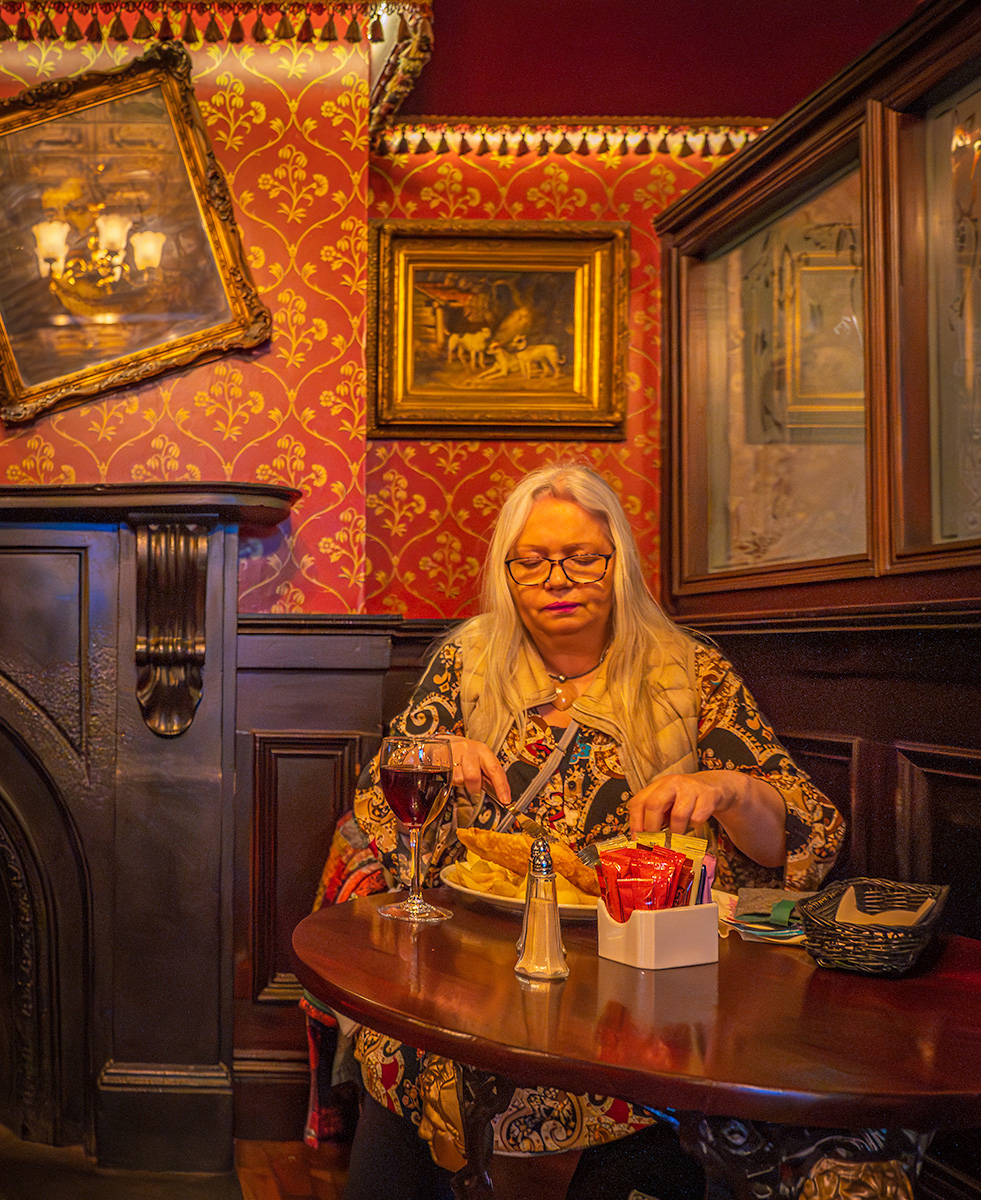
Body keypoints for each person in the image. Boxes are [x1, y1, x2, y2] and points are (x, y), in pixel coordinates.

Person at [307, 461, 846, 1200]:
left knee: (653, 1125)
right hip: (478, 962)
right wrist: (434, 755)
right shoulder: (468, 662)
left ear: (618, 560)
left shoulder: (690, 671)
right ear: (506, 574)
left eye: (581, 557)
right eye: (531, 561)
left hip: (636, 980)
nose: (556, 579)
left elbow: (801, 839)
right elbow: (379, 808)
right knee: (408, 1081)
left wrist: (727, 787)